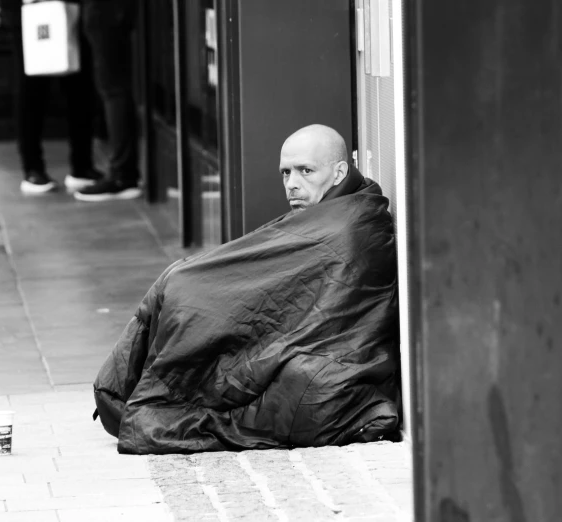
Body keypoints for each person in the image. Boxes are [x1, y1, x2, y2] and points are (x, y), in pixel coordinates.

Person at [93, 124, 401, 455]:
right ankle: (126, 392)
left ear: (340, 171)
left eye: (305, 171)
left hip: (335, 362)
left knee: (188, 291)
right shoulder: (332, 212)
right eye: (285, 172)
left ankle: (130, 395)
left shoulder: (352, 223)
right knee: (182, 282)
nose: (292, 184)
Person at [6, 0, 103, 194]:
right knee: (32, 89)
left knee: (80, 87)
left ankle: (82, 165)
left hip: (73, 8)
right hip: (28, 8)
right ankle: (33, 168)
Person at [74, 0, 142, 202]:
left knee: (113, 89)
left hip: (106, 10)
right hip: (110, 11)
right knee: (114, 89)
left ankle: (122, 175)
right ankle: (123, 173)